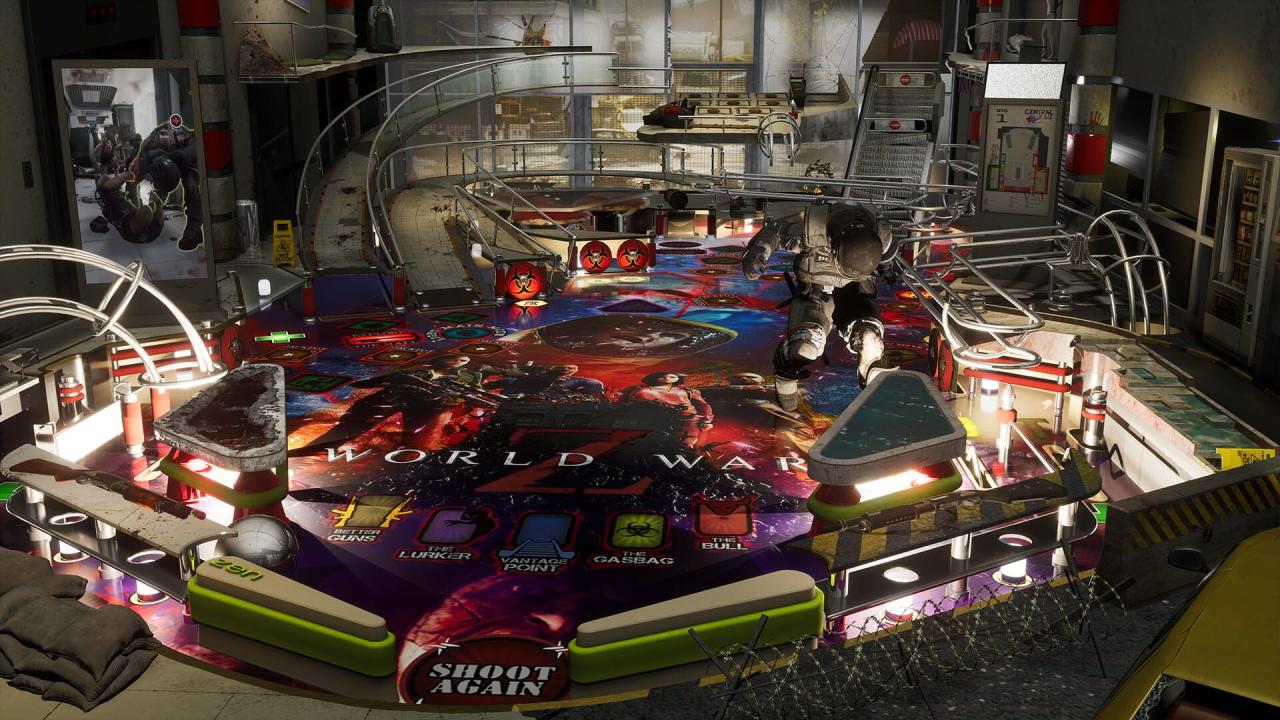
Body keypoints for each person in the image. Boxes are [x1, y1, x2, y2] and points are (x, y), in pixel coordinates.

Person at [742, 203, 895, 410]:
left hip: (854, 292)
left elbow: (887, 259)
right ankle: (786, 368)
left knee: (868, 335)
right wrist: (758, 251)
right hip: (817, 292)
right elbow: (776, 231)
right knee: (804, 348)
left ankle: (868, 346)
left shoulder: (881, 237)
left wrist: (887, 268)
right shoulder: (813, 234)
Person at [301, 355, 474, 452]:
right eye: (457, 358)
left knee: (415, 438)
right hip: (388, 399)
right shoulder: (417, 371)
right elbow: (375, 381)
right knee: (349, 430)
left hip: (419, 408)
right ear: (444, 358)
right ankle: (313, 451)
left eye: (463, 361)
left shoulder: (459, 380)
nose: (458, 362)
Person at [131, 122, 204, 251]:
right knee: (157, 191)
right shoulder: (149, 144)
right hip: (161, 158)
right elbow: (133, 178)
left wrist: (157, 154)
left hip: (188, 162)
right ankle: (153, 215)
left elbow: (183, 156)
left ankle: (193, 229)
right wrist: (136, 211)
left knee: (192, 186)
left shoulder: (190, 141)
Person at [618, 372, 713, 449]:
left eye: (670, 375)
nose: (666, 377)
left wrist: (707, 419)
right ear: (651, 379)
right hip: (661, 423)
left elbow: (703, 405)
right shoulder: (642, 392)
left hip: (690, 422)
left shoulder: (686, 391)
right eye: (660, 376)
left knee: (686, 444)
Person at [484, 363, 605, 400]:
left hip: (518, 399)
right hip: (511, 397)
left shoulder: (573, 382)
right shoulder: (529, 376)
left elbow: (596, 385)